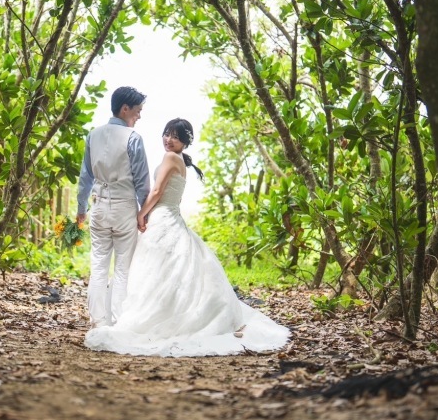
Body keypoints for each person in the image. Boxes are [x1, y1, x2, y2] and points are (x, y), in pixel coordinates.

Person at [84, 118, 290, 356]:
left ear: (184, 142)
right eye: (166, 134)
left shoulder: (171, 158)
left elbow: (157, 191)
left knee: (155, 271)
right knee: (164, 274)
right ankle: (161, 315)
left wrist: (141, 214)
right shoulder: (180, 160)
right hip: (171, 217)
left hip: (163, 219)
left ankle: (144, 319)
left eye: (175, 137)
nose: (168, 140)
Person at [77, 87, 151, 328]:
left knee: (98, 265)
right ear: (125, 109)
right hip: (123, 209)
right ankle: (119, 323)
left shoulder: (93, 135)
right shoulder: (133, 138)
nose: (139, 116)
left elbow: (85, 178)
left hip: (98, 207)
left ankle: (98, 322)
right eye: (138, 111)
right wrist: (144, 214)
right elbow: (142, 183)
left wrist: (81, 210)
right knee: (122, 268)